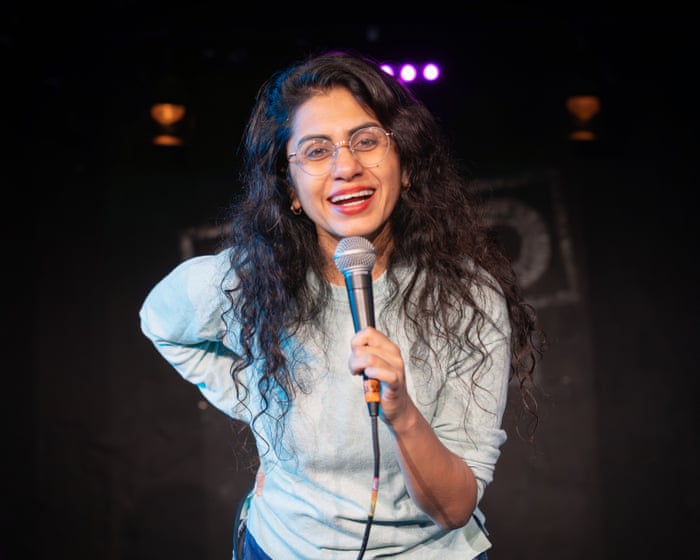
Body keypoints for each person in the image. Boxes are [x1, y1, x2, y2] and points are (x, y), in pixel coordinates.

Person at [139, 48, 544, 560]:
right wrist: (265, 404)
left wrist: (401, 412)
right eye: (316, 151)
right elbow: (160, 322)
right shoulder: (247, 280)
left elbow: (453, 507)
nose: (346, 166)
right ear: (290, 189)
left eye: (367, 141)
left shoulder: (469, 297)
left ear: (406, 164)